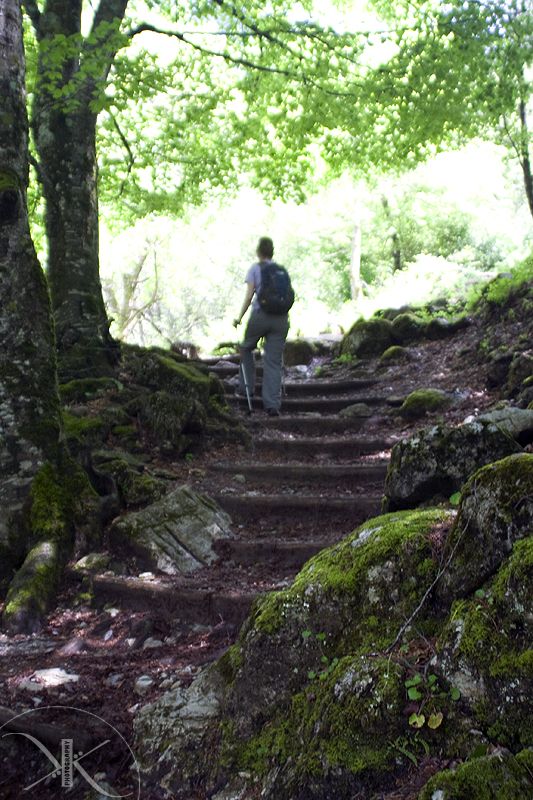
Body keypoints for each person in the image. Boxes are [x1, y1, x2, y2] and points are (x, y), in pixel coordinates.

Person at [233, 237, 290, 416]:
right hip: (281, 319)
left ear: (258, 252)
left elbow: (249, 296)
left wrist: (239, 318)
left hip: (261, 316)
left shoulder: (255, 269)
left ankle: (246, 390)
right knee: (273, 361)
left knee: (246, 348)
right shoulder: (281, 270)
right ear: (272, 252)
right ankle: (272, 405)